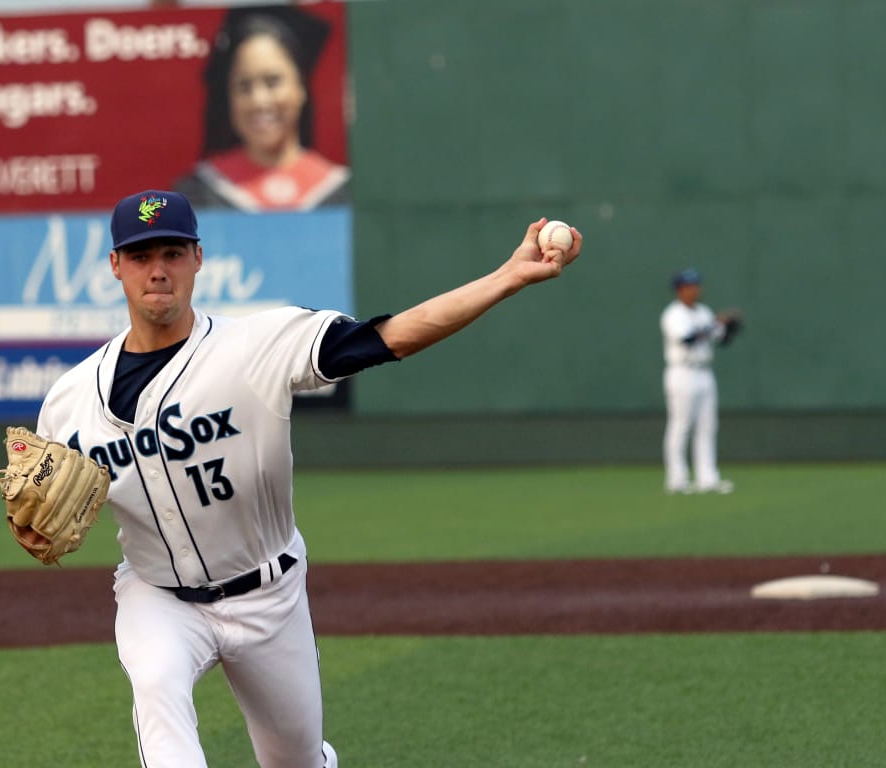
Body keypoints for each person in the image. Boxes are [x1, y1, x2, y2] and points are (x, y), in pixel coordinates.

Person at [36, 189, 582, 767]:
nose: (158, 270)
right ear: (116, 265)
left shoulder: (258, 345)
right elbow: (46, 512)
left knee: (294, 761)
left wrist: (506, 277)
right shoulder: (69, 400)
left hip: (267, 595)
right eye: (141, 256)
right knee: (156, 687)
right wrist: (35, 529)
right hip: (158, 596)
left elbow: (391, 336)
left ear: (197, 258)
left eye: (172, 252)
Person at [172, 8, 348, 212]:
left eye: (273, 82)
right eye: (244, 86)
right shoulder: (198, 194)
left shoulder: (341, 192)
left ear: (301, 87)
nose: (259, 101)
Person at [661, 268, 742, 495]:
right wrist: (716, 322)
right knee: (682, 426)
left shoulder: (703, 312)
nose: (694, 290)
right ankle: (677, 479)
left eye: (696, 285)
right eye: (689, 286)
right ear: (679, 290)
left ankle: (707, 478)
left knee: (707, 426)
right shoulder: (673, 314)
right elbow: (687, 339)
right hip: (682, 373)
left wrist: (730, 327)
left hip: (704, 372)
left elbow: (721, 338)